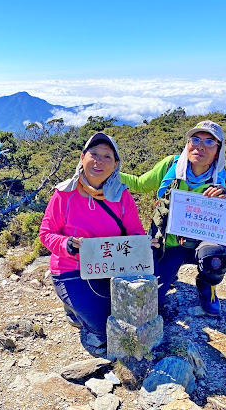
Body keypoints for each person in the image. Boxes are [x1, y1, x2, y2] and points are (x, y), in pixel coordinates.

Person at [120, 120, 226, 317]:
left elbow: (225, 228)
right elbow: (139, 183)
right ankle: (170, 271)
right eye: (195, 139)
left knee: (215, 259)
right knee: (150, 301)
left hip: (203, 246)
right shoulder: (170, 167)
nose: (200, 146)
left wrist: (225, 199)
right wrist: (105, 169)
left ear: (218, 150)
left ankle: (206, 285)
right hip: (169, 245)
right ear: (187, 144)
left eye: (209, 142)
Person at [39, 132, 145, 340]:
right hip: (72, 269)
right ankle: (73, 306)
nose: (99, 161)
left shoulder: (122, 196)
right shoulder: (64, 194)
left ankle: (81, 305)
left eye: (107, 157)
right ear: (82, 158)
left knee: (131, 317)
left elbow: (135, 232)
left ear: (115, 165)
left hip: (111, 266)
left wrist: (143, 244)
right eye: (94, 154)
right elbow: (46, 233)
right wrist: (66, 244)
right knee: (102, 328)